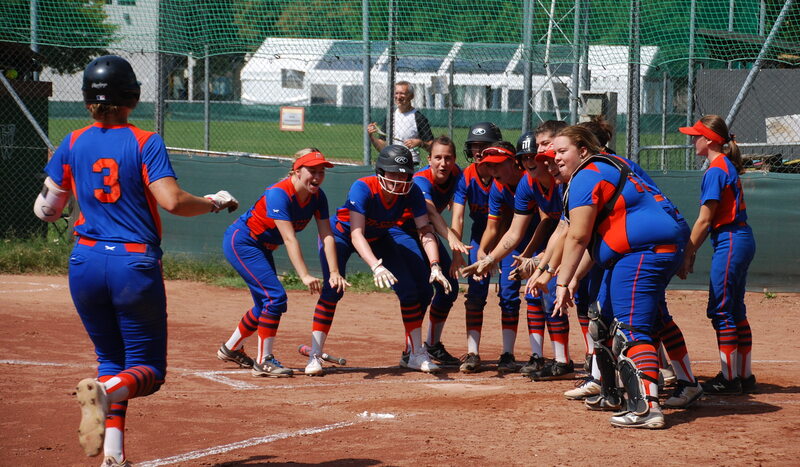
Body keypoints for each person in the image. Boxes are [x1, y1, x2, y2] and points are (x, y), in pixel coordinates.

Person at [34, 55, 239, 465]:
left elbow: (47, 212)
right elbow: (173, 201)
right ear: (133, 95)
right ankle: (106, 394)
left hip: (85, 262)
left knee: (111, 362)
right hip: (132, 265)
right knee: (148, 372)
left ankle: (114, 455)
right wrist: (215, 202)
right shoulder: (145, 141)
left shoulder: (72, 142)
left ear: (88, 99)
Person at [552, 125, 686, 429]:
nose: (556, 157)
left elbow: (577, 237)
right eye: (554, 152)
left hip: (641, 252)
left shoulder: (587, 174)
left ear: (583, 151)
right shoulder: (615, 165)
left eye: (563, 151)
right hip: (648, 248)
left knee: (631, 329)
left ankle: (647, 408)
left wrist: (561, 282)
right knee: (601, 320)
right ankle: (612, 394)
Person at [305, 144, 452, 373]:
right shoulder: (363, 187)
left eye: (404, 174)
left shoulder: (411, 192)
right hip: (341, 236)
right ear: (381, 173)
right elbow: (356, 234)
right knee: (333, 290)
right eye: (393, 173)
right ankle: (314, 356)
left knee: (412, 291)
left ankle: (415, 354)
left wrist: (435, 265)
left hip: (379, 237)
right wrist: (376, 267)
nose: (400, 180)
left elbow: (425, 229)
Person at [216, 148, 349, 378]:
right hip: (243, 242)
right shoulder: (279, 193)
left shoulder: (318, 196)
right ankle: (263, 361)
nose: (317, 177)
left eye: (321, 171)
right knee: (275, 298)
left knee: (265, 305)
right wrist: (305, 275)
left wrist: (334, 271)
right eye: (312, 171)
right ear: (297, 171)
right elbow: (289, 238)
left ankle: (231, 347)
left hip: (262, 247)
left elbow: (327, 234)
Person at [461, 132, 573, 380]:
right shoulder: (526, 183)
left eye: (534, 156)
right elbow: (511, 231)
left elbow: (558, 226)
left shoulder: (562, 181)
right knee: (534, 294)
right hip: (542, 245)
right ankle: (542, 357)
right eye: (526, 158)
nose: (530, 162)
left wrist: (538, 257)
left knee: (565, 295)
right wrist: (488, 257)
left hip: (572, 241)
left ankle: (574, 360)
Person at [678, 115, 757, 395]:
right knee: (734, 309)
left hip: (731, 239)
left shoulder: (715, 169)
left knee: (721, 309)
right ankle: (743, 375)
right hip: (737, 238)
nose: (692, 140)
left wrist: (688, 252)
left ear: (710, 139)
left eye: (696, 136)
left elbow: (703, 220)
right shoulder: (722, 165)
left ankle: (729, 378)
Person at [396, 136, 470, 365]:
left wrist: (456, 254)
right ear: (429, 159)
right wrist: (451, 239)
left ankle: (433, 345)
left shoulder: (458, 175)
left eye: (448, 158)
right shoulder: (420, 180)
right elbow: (432, 214)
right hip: (403, 232)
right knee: (420, 290)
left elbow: (457, 214)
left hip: (426, 233)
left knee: (449, 287)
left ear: (454, 160)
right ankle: (411, 350)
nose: (443, 163)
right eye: (437, 157)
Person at [449, 122, 503, 373]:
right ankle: (473, 353)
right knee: (475, 294)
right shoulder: (466, 176)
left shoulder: (505, 171)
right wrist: (457, 252)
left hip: (510, 234)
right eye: (475, 146)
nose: (479, 151)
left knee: (511, 295)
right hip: (480, 235)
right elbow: (458, 218)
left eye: (484, 145)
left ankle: (511, 354)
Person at [367, 81, 434, 165]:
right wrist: (371, 136)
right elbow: (382, 147)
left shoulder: (418, 117)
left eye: (402, 93)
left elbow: (432, 147)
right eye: (396, 93)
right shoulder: (390, 117)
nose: (398, 97)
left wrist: (420, 143)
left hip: (411, 163)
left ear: (411, 96)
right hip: (391, 162)